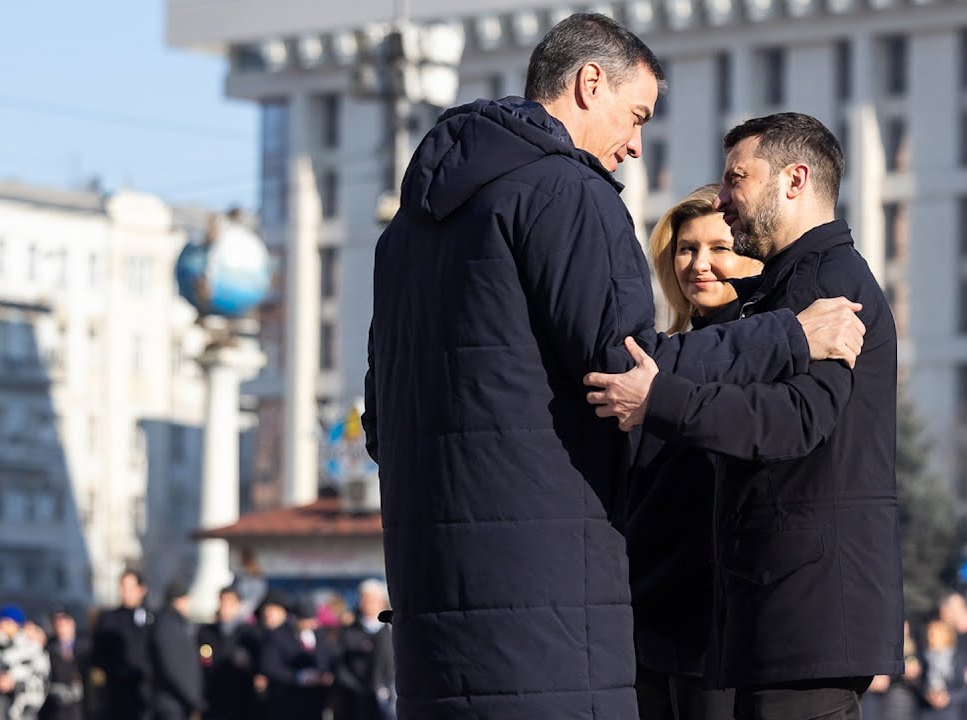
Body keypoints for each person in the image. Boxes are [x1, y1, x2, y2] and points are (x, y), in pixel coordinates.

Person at [363, 12, 866, 720]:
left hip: (431, 617)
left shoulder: (407, 232)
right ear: (589, 83)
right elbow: (627, 370)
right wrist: (788, 338)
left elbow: (381, 424)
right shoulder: (565, 192)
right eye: (636, 116)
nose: (634, 146)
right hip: (547, 610)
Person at [587, 112, 902, 719]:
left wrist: (660, 401)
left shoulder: (826, 284)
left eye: (737, 179)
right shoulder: (791, 285)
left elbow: (797, 419)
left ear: (794, 179)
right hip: (775, 611)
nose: (724, 198)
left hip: (805, 614)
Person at [627, 183, 762, 720]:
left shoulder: (764, 359)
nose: (699, 264)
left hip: (719, 628)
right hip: (647, 621)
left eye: (719, 248)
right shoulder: (656, 357)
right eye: (687, 249)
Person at [89, 570, 152, 720]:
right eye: (122, 587)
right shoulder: (109, 619)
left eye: (130, 588)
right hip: (118, 693)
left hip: (147, 694)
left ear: (141, 590)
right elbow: (97, 656)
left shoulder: (151, 619)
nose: (125, 592)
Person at [334, 580, 395, 720]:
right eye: (365, 599)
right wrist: (357, 687)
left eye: (373, 601)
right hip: (355, 700)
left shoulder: (390, 630)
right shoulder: (349, 631)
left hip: (386, 698)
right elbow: (340, 664)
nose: (368, 604)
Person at [197, 586, 259, 720]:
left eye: (229, 603)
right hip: (213, 699)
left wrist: (248, 663)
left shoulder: (249, 633)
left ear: (238, 605)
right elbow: (202, 662)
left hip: (241, 700)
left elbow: (261, 664)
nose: (225, 607)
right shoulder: (206, 632)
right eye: (222, 602)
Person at [149, 582, 203, 720]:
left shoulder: (176, 624)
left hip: (178, 703)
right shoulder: (167, 626)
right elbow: (172, 667)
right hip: (171, 704)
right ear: (178, 600)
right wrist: (193, 700)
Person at [0, 606, 50, 720]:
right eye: (2, 621)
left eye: (10, 622)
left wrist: (14, 684)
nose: (4, 625)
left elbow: (42, 682)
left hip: (23, 714)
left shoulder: (32, 650)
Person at [39, 609, 89, 720]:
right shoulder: (49, 648)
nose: (61, 628)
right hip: (57, 708)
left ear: (72, 624)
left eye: (64, 624)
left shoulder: (86, 646)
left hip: (82, 707)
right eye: (58, 624)